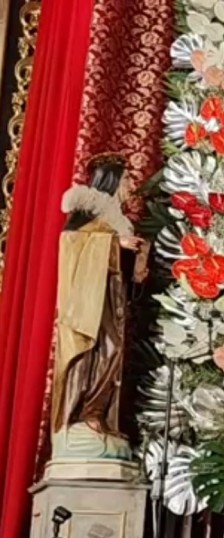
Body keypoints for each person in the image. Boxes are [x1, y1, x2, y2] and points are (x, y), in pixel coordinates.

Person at [49, 152, 148, 466]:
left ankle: (97, 413)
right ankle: (81, 413)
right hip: (86, 308)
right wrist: (113, 243)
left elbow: (124, 273)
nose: (131, 185)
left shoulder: (117, 220)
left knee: (113, 350)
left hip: (108, 301)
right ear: (113, 180)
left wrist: (138, 259)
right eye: (128, 179)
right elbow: (71, 244)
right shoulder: (88, 217)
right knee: (98, 350)